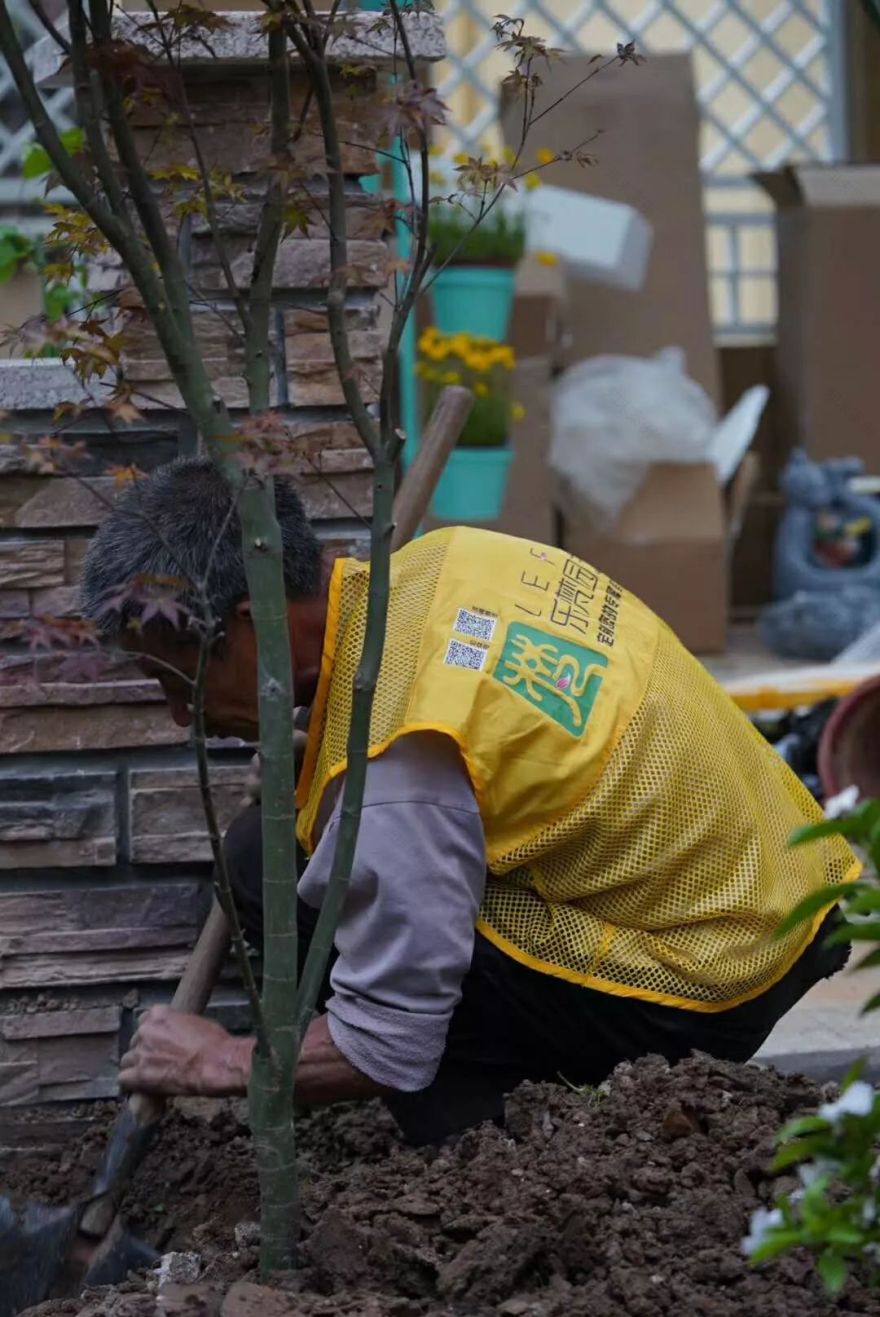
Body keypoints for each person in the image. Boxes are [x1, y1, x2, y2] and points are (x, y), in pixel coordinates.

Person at [80, 457, 856, 1145]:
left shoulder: (394, 760)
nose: (181, 715)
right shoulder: (448, 563)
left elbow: (387, 1042)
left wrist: (218, 1059)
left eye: (174, 678)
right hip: (789, 884)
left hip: (711, 977)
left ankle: (486, 1153)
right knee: (282, 848)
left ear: (250, 628)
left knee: (270, 869)